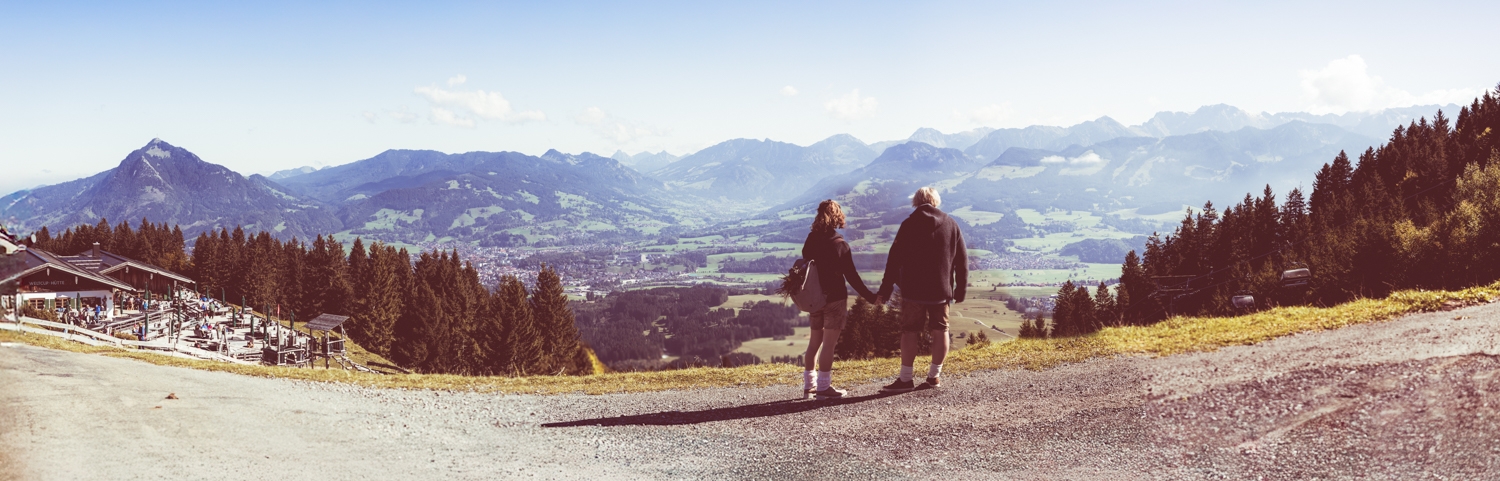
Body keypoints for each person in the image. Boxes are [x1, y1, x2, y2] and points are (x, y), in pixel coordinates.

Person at [876, 186, 968, 392]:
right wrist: (960, 290)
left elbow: (893, 260)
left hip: (913, 291)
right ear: (936, 201)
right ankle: (934, 376)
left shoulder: (908, 224)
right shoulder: (951, 225)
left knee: (910, 331)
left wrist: (886, 288)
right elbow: (962, 261)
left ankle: (905, 379)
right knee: (941, 330)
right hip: (941, 290)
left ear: (915, 202)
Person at [800, 199, 877, 399]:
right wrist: (871, 297)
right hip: (834, 300)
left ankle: (810, 387)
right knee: (829, 344)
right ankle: (824, 388)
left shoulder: (811, 239)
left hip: (814, 298)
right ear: (837, 217)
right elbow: (852, 277)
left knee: (814, 342)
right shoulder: (840, 245)